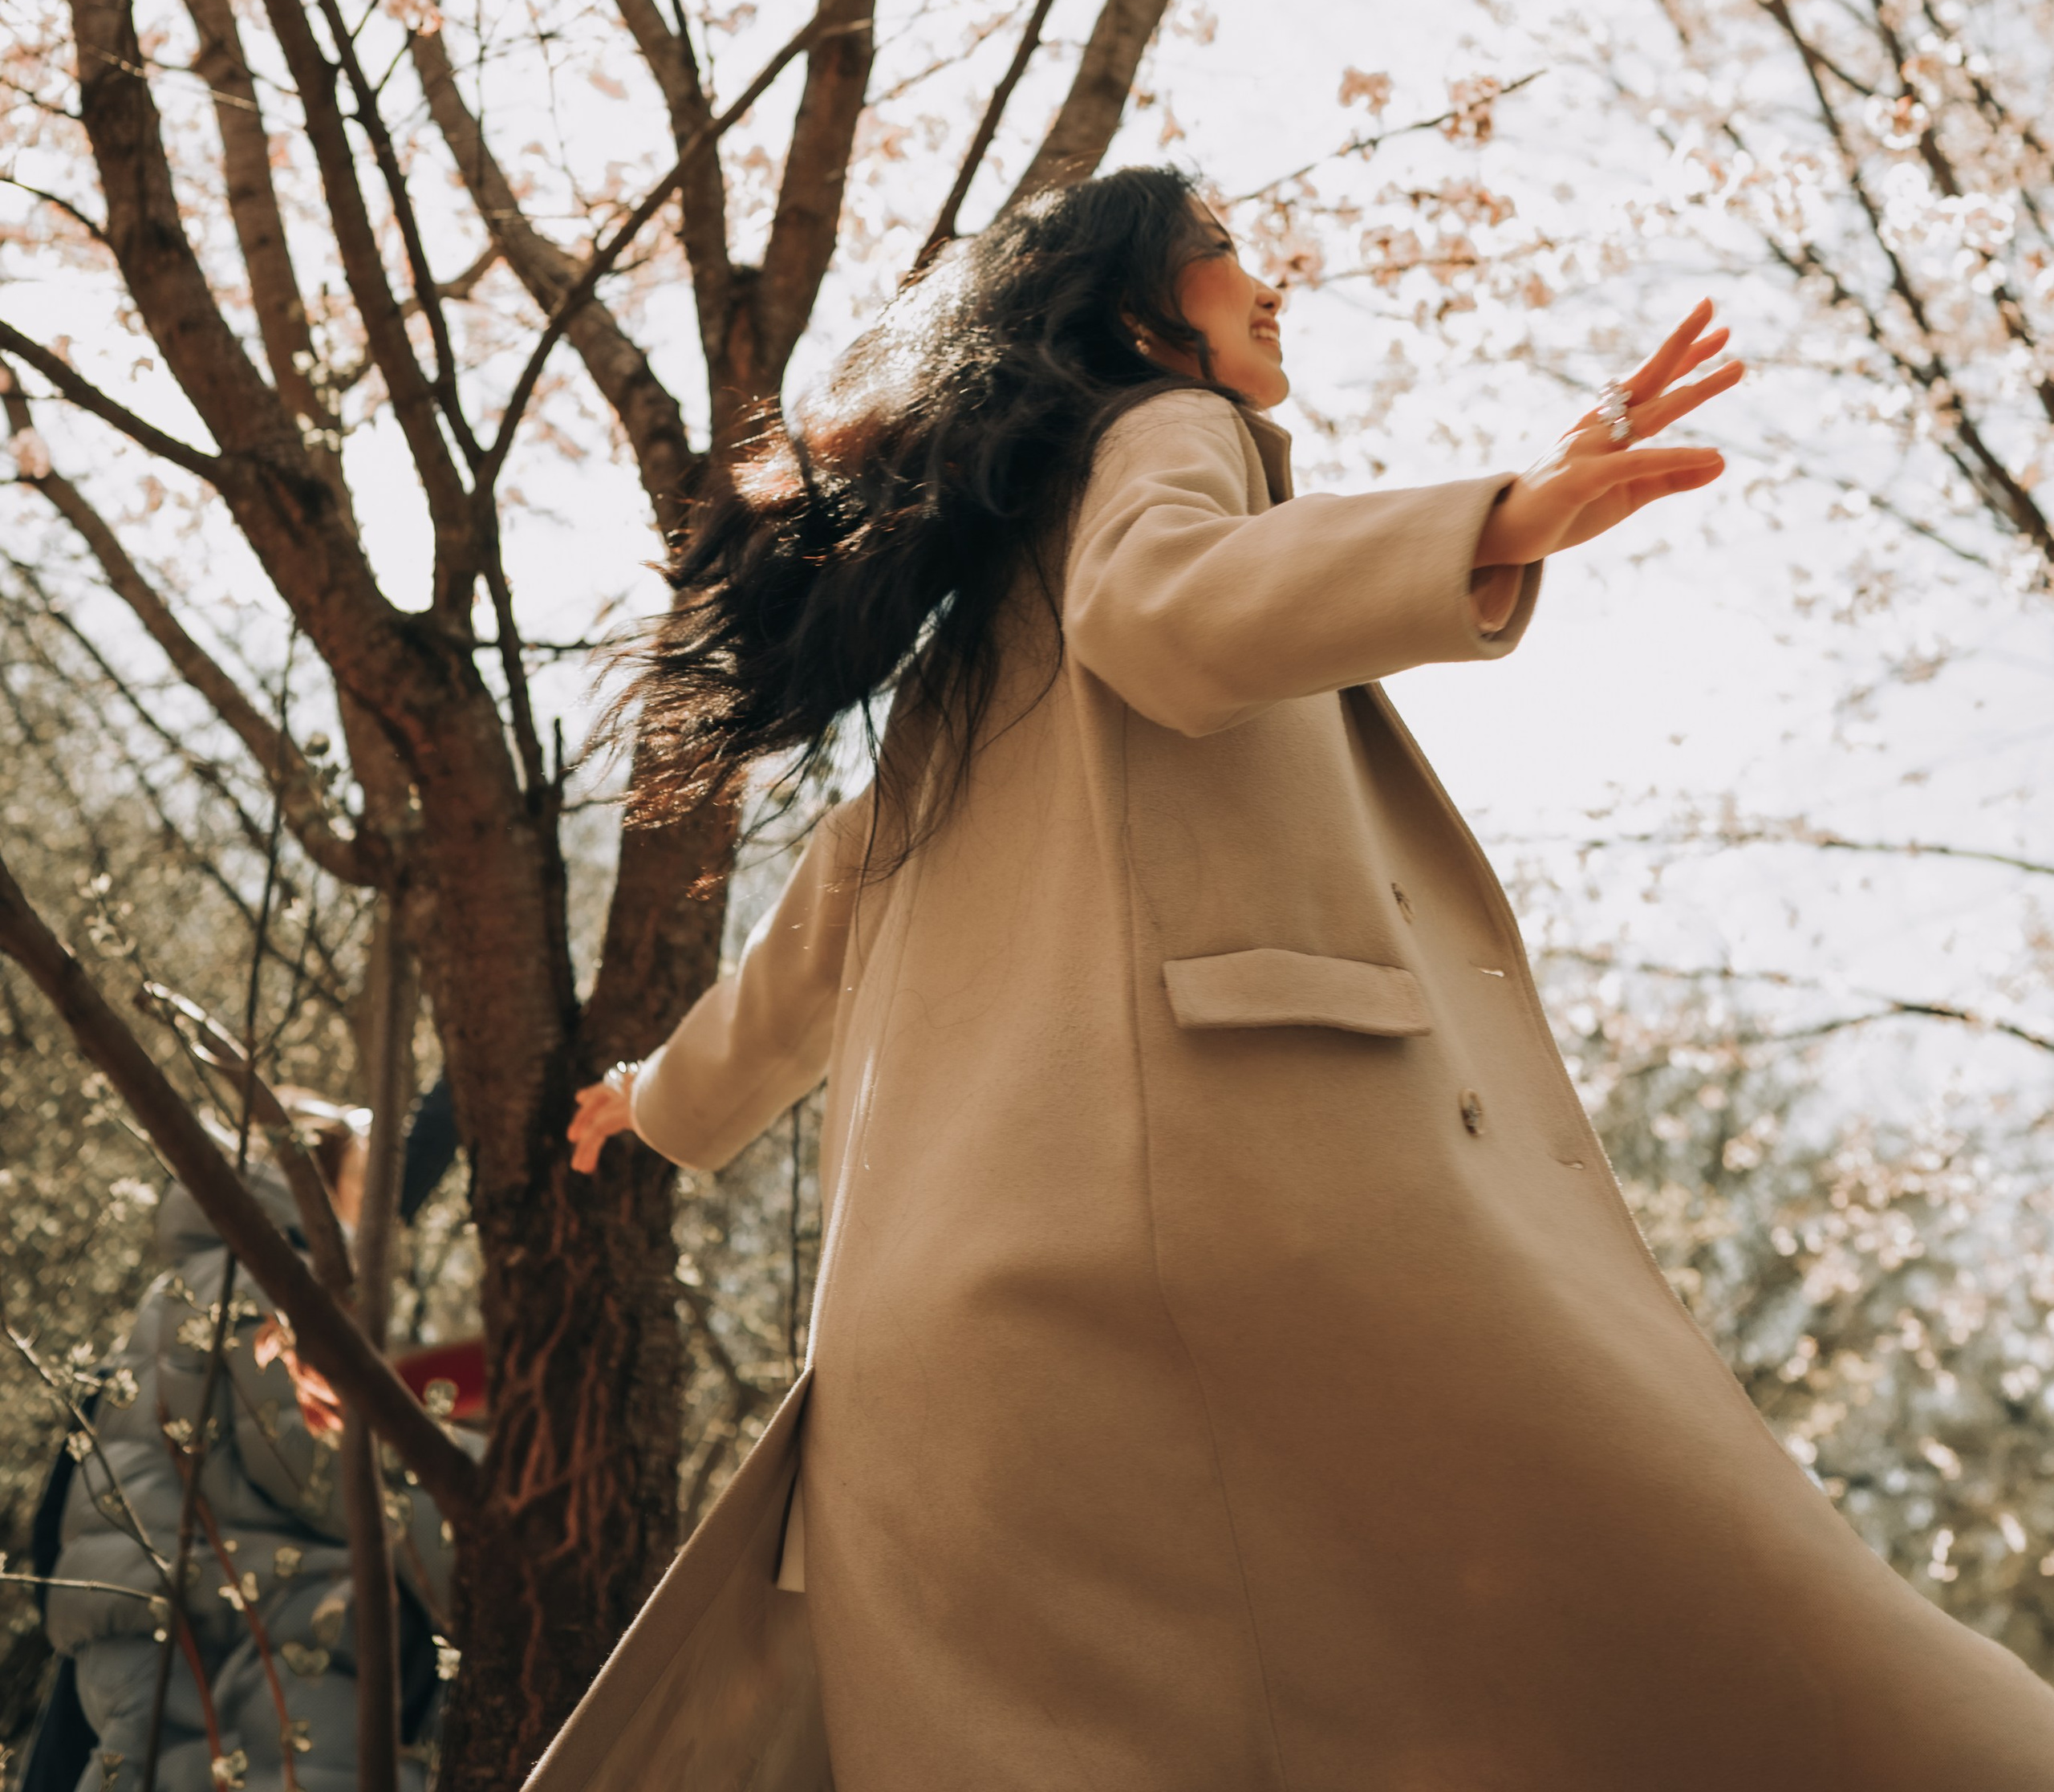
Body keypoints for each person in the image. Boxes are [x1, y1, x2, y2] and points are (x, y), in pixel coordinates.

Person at [544, 167, 2054, 1792]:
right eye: (1222, 258)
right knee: (1760, 1659)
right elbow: (1167, 610)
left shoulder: (963, 670)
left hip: (943, 1334)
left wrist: (650, 1103)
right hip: (1226, 1215)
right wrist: (1498, 519)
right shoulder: (1166, 432)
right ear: (1137, 317)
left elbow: (821, 926)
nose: (1269, 285)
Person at [39, 1099, 454, 1792]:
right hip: (212, 1604)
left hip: (167, 1596)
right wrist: (459, 1535)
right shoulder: (260, 1277)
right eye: (364, 1172)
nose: (376, 1199)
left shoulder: (214, 1272)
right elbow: (300, 1460)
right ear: (316, 1185)